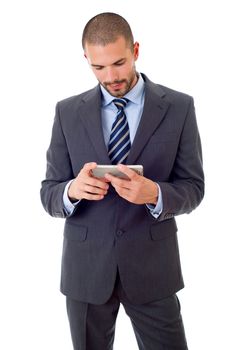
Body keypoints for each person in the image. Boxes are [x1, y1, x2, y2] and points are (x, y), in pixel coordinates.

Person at [40, 12, 204, 350]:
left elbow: (194, 187)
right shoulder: (67, 112)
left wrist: (154, 193)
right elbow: (49, 192)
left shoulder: (178, 107)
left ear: (136, 51)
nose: (111, 76)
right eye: (99, 68)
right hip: (86, 271)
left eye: (119, 62)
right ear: (86, 59)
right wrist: (72, 190)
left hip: (152, 269)